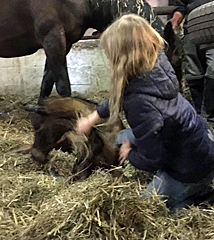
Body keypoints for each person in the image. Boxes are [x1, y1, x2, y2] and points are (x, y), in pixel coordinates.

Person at [76, 14, 214, 212]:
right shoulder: (155, 65)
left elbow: (153, 159)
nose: (108, 59)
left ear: (122, 58)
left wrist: (130, 154)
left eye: (109, 55)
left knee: (149, 207)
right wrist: (93, 117)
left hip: (190, 168)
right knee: (122, 136)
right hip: (198, 139)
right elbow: (122, 97)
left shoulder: (139, 105)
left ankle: (198, 202)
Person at [172, 0, 214, 121]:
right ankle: (199, 112)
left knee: (213, 69)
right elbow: (180, 3)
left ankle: (209, 115)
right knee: (194, 72)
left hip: (211, 22)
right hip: (192, 27)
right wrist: (179, 10)